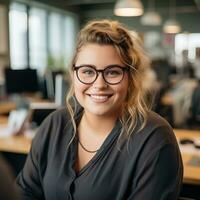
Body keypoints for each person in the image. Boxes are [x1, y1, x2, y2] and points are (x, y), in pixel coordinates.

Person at [16, 19, 183, 200]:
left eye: (112, 72)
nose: (99, 84)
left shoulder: (155, 139)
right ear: (74, 75)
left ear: (130, 78)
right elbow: (25, 192)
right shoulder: (54, 125)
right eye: (87, 71)